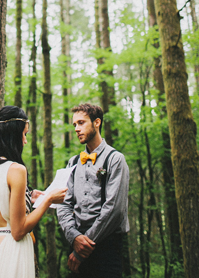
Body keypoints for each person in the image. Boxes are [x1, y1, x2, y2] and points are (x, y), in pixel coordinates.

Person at [0, 105, 67, 278]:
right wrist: (48, 199)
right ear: (12, 134)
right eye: (24, 134)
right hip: (12, 253)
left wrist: (28, 197)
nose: (25, 141)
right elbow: (18, 231)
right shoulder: (16, 170)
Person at [57, 103, 130, 277]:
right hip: (76, 242)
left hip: (107, 245)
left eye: (81, 123)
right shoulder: (73, 163)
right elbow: (63, 204)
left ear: (96, 123)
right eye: (74, 124)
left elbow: (114, 209)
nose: (76, 129)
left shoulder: (115, 159)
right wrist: (74, 237)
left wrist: (84, 247)